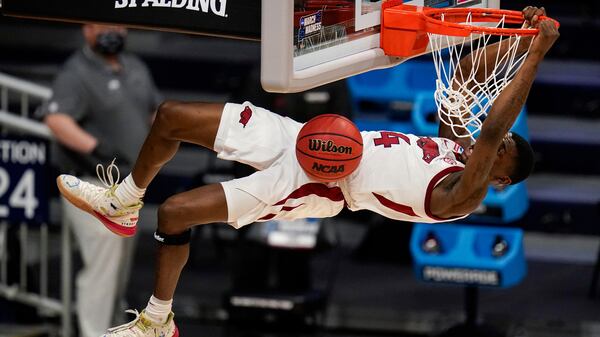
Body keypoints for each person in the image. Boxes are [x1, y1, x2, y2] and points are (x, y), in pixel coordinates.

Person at [55, 6, 557, 337]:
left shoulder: (460, 196)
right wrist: (517, 37)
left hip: (317, 182)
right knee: (171, 117)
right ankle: (124, 197)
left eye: (501, 155)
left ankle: (156, 320)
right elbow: (469, 80)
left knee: (177, 213)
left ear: (500, 180)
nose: (491, 148)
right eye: (502, 143)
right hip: (303, 135)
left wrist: (537, 53)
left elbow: (492, 131)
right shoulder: (455, 148)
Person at [40, 24, 162, 337]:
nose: (111, 32)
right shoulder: (76, 71)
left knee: (119, 271)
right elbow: (56, 118)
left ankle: (113, 331)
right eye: (102, 26)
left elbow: (154, 111)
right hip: (91, 186)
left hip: (128, 188)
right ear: (87, 30)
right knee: (102, 271)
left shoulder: (134, 66)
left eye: (116, 25)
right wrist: (95, 147)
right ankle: (93, 333)